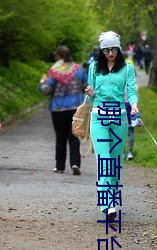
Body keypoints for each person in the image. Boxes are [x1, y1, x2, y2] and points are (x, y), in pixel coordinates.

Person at [85, 31, 138, 220]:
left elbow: (131, 90)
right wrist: (90, 92)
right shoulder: (93, 68)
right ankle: (108, 205)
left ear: (119, 48)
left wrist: (134, 104)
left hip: (119, 118)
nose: (110, 53)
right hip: (99, 118)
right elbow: (91, 95)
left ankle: (110, 199)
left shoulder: (127, 68)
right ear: (101, 50)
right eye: (106, 50)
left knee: (115, 163)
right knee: (104, 161)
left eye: (113, 49)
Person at [39, 45, 88, 175]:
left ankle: (60, 166)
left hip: (58, 109)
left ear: (58, 57)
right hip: (75, 109)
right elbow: (86, 87)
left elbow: (47, 90)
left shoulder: (54, 71)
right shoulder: (79, 70)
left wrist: (42, 83)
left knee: (60, 138)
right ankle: (75, 163)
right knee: (74, 137)